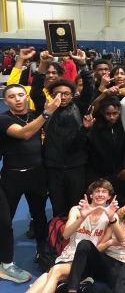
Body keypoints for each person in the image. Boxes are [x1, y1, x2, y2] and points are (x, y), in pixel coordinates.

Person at [0, 84, 61, 281]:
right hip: (12, 176)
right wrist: (46, 114)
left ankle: (42, 252)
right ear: (5, 101)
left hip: (37, 174)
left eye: (20, 95)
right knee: (5, 221)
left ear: (26, 96)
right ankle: (5, 262)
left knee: (39, 215)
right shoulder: (4, 119)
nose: (17, 99)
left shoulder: (34, 114)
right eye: (12, 96)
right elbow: (25, 133)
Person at [26, 180, 121, 293]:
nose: (100, 194)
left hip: (88, 260)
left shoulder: (112, 216)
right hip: (68, 255)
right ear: (91, 195)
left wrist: (111, 219)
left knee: (55, 271)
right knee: (50, 275)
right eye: (97, 191)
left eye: (104, 192)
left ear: (109, 196)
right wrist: (81, 218)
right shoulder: (76, 210)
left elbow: (112, 242)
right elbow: (66, 235)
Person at [31, 72, 94, 217]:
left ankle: (77, 237)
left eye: (66, 94)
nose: (63, 97)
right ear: (52, 95)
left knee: (77, 206)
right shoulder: (45, 109)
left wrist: (84, 67)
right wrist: (42, 69)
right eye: (58, 94)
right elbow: (36, 92)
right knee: (57, 206)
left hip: (77, 165)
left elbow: (89, 89)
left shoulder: (79, 107)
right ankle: (58, 235)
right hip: (54, 167)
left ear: (72, 95)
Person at [66, 197, 125, 291]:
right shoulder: (115, 223)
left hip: (120, 264)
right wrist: (111, 242)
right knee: (84, 244)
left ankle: (87, 284)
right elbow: (99, 248)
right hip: (105, 260)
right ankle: (72, 290)